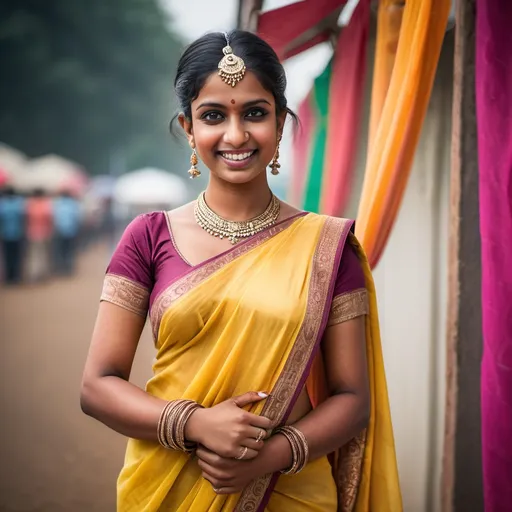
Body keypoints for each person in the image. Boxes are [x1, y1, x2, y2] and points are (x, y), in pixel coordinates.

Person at [81, 30, 402, 511]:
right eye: (214, 116)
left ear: (280, 123)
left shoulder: (326, 247)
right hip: (167, 486)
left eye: (254, 112)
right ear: (189, 128)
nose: (235, 135)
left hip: (289, 491)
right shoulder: (148, 237)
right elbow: (97, 385)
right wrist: (194, 423)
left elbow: (353, 399)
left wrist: (269, 455)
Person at [25, 188, 53, 282]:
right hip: (44, 232)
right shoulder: (45, 204)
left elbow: (26, 218)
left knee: (33, 255)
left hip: (32, 232)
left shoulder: (30, 204)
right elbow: (49, 218)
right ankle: (42, 274)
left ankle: (34, 274)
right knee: (43, 254)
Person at [0, 186, 25, 284]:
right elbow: (23, 219)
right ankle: (16, 276)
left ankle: (8, 277)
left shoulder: (3, 204)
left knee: (7, 257)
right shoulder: (19, 204)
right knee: (17, 257)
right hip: (17, 234)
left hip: (6, 234)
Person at [53, 190, 81, 275]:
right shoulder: (73, 204)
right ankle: (68, 269)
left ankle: (61, 268)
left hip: (60, 232)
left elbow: (54, 219)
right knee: (69, 251)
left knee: (61, 251)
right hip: (71, 232)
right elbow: (77, 218)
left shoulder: (57, 204)